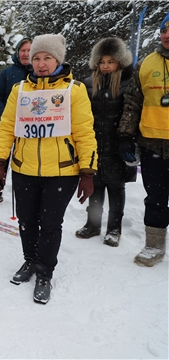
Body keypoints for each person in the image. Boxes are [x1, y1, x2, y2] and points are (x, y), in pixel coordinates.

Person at [0, 34, 97, 304]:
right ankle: (30, 261)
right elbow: (6, 129)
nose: (40, 63)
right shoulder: (20, 90)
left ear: (58, 59)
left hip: (61, 171)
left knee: (50, 224)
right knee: (26, 220)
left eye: (47, 57)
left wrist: (87, 172)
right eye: (36, 58)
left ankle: (45, 272)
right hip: (25, 169)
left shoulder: (74, 90)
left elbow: (85, 132)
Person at [118, 13, 169, 267]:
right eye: (165, 30)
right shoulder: (147, 63)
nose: (168, 35)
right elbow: (132, 103)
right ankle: (154, 245)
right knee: (156, 198)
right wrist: (126, 136)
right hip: (152, 144)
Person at [75, 37, 136, 247]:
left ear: (119, 61)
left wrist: (129, 140)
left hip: (118, 146)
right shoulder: (88, 83)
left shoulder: (129, 82)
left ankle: (114, 229)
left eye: (111, 61)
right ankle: (92, 225)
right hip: (94, 144)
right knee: (95, 186)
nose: (106, 66)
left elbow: (133, 112)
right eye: (102, 62)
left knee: (116, 189)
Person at [0, 37, 32, 207]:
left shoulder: (39, 72)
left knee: (25, 157)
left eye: (29, 50)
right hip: (8, 123)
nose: (26, 53)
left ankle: (26, 193)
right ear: (17, 52)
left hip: (30, 126)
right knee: (2, 157)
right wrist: (5, 115)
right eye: (23, 50)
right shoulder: (8, 73)